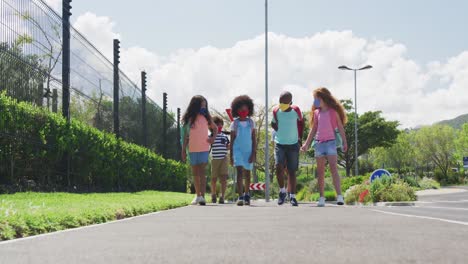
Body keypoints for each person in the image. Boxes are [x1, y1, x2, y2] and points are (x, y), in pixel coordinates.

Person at [301, 87, 348, 207]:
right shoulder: (317, 113)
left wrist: (344, 142)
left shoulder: (333, 112)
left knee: (334, 169)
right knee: (320, 172)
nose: (314, 101)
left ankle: (339, 196)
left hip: (331, 143)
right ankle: (321, 197)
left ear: (323, 98)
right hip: (319, 144)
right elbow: (313, 130)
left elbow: (340, 127)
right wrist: (306, 144)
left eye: (316, 99)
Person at [181, 95, 218, 206]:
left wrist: (213, 138)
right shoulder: (189, 119)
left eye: (205, 105)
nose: (203, 107)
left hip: (204, 148)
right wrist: (183, 150)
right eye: (201, 105)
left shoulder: (207, 118)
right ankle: (197, 195)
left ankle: (202, 196)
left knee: (202, 171)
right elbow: (185, 136)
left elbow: (215, 128)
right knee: (195, 172)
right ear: (195, 105)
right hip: (192, 149)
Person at [271, 91, 304, 206]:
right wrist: (279, 129)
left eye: (284, 102)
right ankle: (282, 191)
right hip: (279, 144)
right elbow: (272, 123)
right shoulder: (276, 111)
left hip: (293, 144)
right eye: (280, 101)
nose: (281, 104)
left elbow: (301, 123)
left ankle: (293, 197)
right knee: (278, 167)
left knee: (292, 171)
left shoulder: (296, 111)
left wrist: (300, 138)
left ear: (290, 102)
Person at [230, 95, 256, 206]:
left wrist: (253, 154)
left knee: (247, 173)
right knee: (239, 172)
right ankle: (240, 196)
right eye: (240, 109)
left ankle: (247, 194)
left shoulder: (251, 123)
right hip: (237, 151)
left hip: (248, 151)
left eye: (245, 109)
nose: (243, 111)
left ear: (249, 110)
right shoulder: (234, 124)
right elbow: (232, 141)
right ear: (236, 110)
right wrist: (231, 155)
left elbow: (254, 139)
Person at [210, 116, 230, 204]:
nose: (219, 125)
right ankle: (213, 195)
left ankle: (222, 196)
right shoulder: (211, 136)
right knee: (214, 178)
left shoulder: (225, 136)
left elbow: (228, 146)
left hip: (224, 158)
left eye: (221, 124)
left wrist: (231, 144)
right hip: (215, 159)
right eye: (217, 124)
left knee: (224, 178)